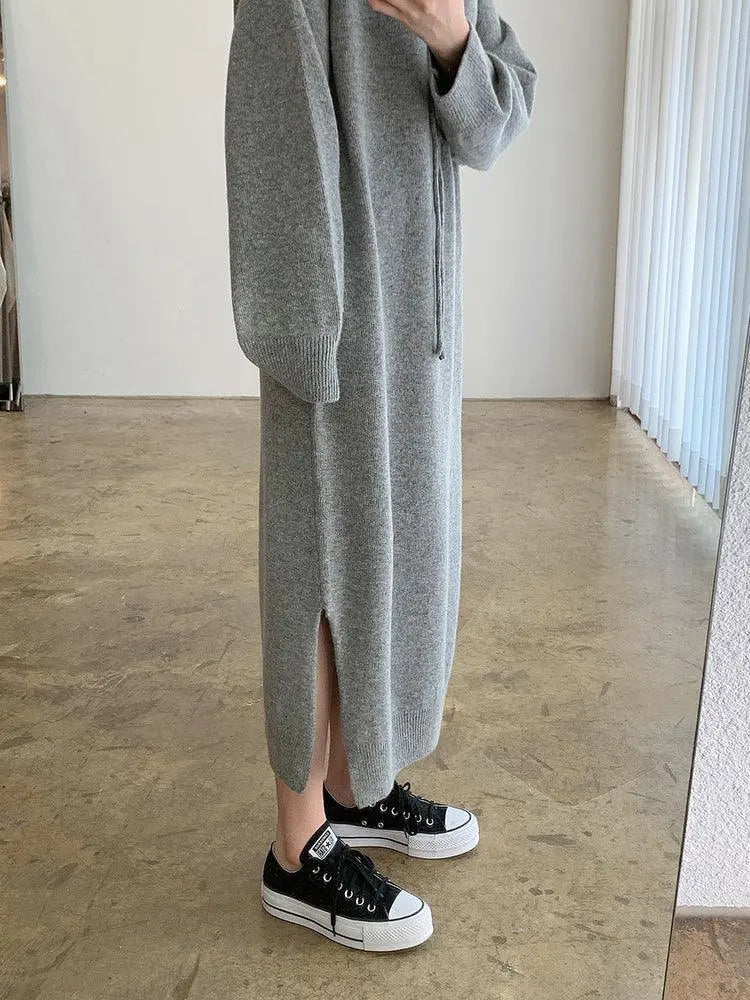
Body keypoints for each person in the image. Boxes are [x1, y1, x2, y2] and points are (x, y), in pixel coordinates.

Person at [225, 0, 536, 952]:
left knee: (404, 552)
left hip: (422, 309)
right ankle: (297, 846)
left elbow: (499, 120)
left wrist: (452, 40)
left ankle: (357, 788)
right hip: (336, 307)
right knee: (320, 559)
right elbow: (272, 116)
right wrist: (303, 332)